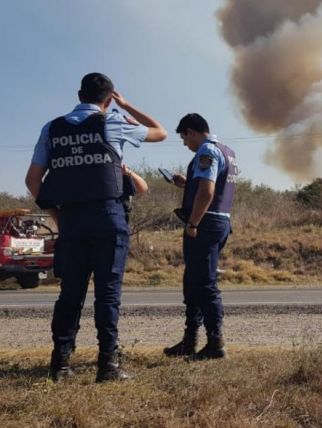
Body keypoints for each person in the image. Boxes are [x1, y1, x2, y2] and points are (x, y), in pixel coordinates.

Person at [24, 73, 167, 383]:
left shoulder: (52, 128)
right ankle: (108, 367)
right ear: (108, 98)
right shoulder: (114, 122)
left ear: (79, 95)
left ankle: (60, 366)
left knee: (70, 295)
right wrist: (128, 105)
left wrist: (58, 217)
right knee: (108, 294)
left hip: (71, 220)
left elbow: (32, 181)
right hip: (108, 217)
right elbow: (161, 133)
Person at [164, 113, 237, 360]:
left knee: (204, 284)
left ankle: (215, 345)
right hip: (221, 221)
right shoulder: (227, 151)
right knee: (194, 280)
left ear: (190, 132)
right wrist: (187, 184)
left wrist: (193, 223)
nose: (186, 145)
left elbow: (207, 192)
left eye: (185, 139)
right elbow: (215, 185)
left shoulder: (206, 151)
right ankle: (190, 341)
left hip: (206, 224)